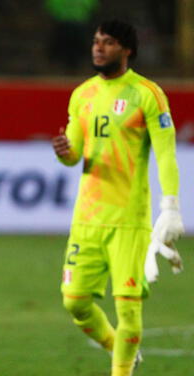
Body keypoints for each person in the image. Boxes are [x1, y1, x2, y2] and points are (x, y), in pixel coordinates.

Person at [52, 20, 183, 376]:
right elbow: (75, 153)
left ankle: (121, 372)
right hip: (87, 218)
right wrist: (64, 151)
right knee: (74, 301)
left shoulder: (147, 93)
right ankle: (118, 348)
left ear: (126, 49)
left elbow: (166, 154)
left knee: (128, 309)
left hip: (129, 220)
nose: (98, 48)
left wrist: (170, 206)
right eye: (96, 41)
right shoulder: (82, 94)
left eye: (107, 43)